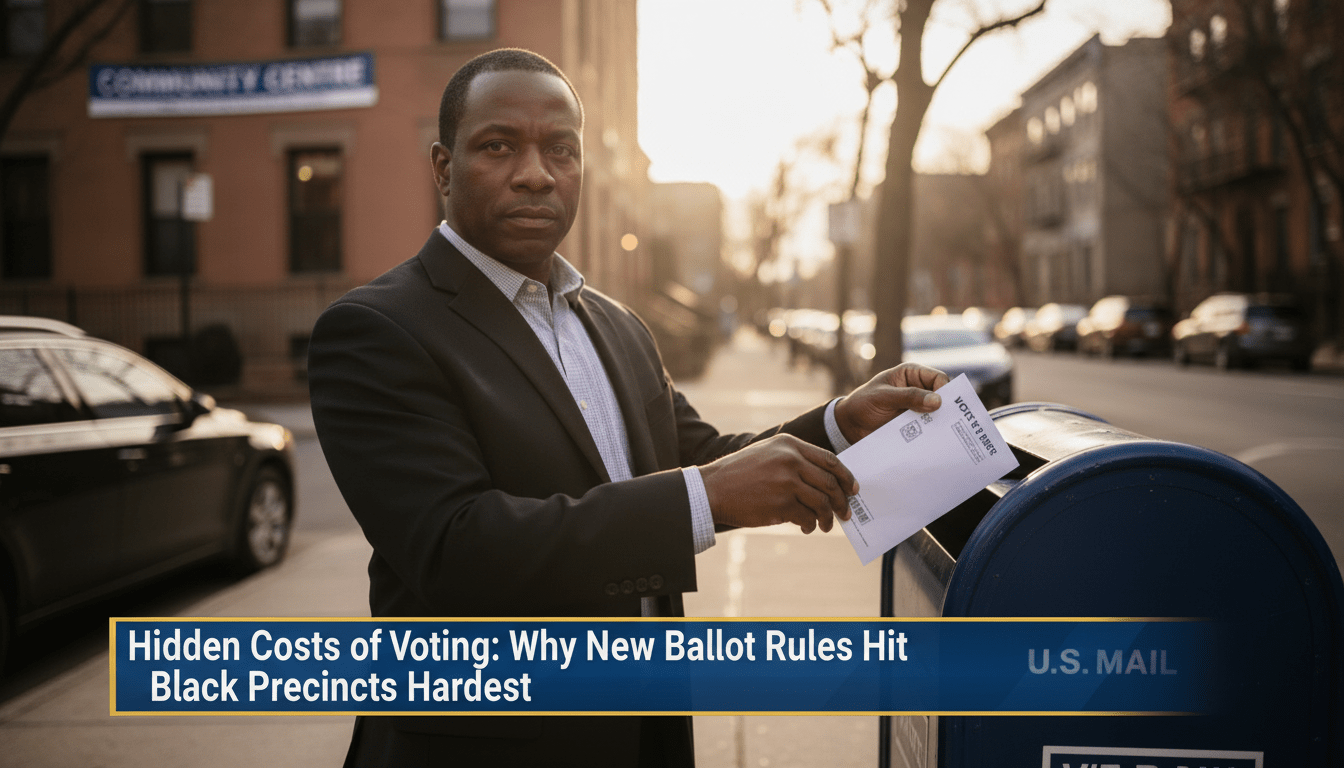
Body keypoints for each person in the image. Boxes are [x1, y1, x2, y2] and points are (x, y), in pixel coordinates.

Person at [308, 48, 948, 768]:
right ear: (443, 168)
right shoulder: (378, 330)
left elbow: (696, 454)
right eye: (498, 146)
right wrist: (704, 500)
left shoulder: (613, 324)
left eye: (561, 149)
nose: (536, 173)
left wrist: (838, 423)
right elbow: (456, 548)